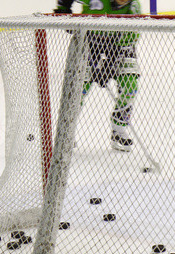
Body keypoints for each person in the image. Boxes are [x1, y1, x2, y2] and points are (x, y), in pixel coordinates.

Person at [55, 0, 142, 152]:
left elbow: (133, 33)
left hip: (120, 46)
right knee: (77, 88)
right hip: (89, 41)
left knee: (130, 86)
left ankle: (118, 129)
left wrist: (112, 62)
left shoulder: (134, 6)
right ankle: (67, 132)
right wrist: (64, 8)